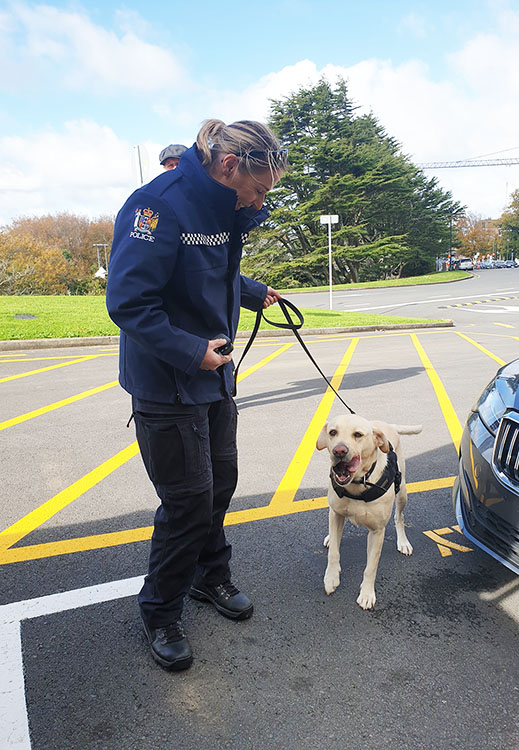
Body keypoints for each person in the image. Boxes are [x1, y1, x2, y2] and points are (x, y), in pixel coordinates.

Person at [106, 120, 288, 671]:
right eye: (258, 190)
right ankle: (160, 611)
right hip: (170, 382)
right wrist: (191, 351)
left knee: (220, 485)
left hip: (213, 377)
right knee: (187, 503)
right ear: (229, 166)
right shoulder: (156, 207)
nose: (261, 201)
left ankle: (211, 578)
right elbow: (129, 303)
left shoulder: (221, 207)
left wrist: (252, 292)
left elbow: (207, 271)